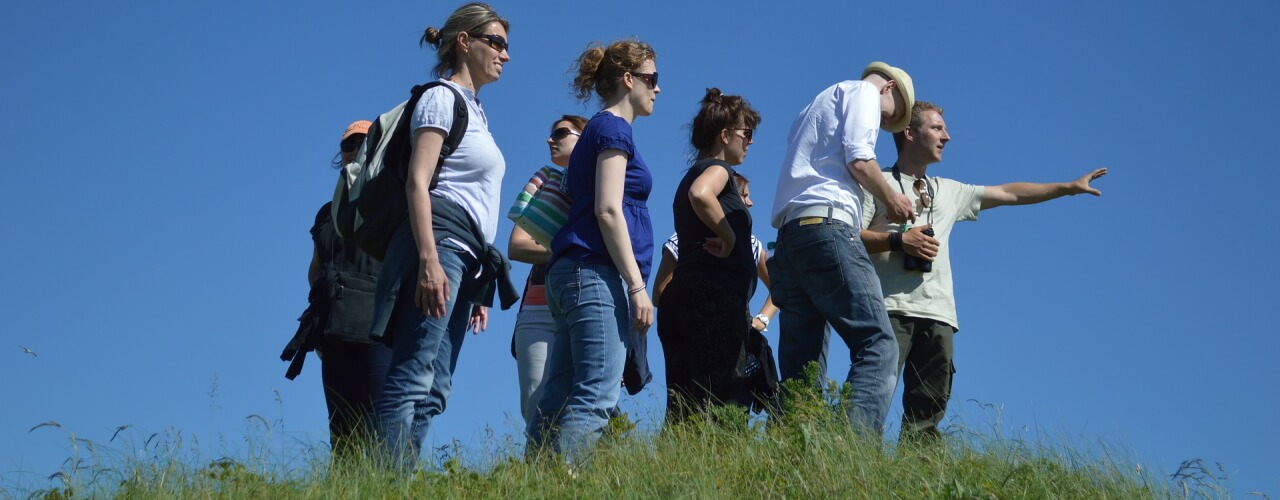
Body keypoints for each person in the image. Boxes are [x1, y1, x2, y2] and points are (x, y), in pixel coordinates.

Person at [859, 101, 1107, 441]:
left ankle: (919, 479)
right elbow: (850, 238)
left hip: (939, 315)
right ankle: (857, 463)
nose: (947, 136)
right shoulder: (878, 184)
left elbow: (1009, 193)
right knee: (873, 395)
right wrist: (900, 241)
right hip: (890, 309)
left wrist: (1067, 187)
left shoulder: (949, 190)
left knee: (927, 415)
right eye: (937, 128)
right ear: (909, 133)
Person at [371, 2, 517, 467]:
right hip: (440, 246)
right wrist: (431, 260)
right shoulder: (440, 98)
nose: (505, 55)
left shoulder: (478, 112)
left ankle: (399, 481)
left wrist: (476, 289)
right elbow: (419, 181)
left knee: (435, 390)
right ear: (464, 41)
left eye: (506, 46)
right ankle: (384, 487)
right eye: (495, 42)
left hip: (466, 258)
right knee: (413, 376)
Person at [767, 61, 918, 436]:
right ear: (889, 90)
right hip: (828, 228)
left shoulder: (816, 105)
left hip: (790, 237)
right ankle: (853, 455)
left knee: (802, 373)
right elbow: (859, 159)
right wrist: (892, 199)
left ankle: (790, 459)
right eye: (892, 117)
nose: (886, 125)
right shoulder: (865, 93)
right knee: (880, 345)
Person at [528, 39, 660, 461]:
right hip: (593, 272)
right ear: (628, 80)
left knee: (559, 393)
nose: (658, 89)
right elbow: (607, 210)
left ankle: (532, 484)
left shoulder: (598, 131)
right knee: (595, 394)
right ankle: (567, 483)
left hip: (572, 272)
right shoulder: (614, 129)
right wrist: (638, 287)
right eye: (652, 79)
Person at [281, 120, 392, 460]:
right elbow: (316, 268)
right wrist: (321, 318)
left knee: (381, 425)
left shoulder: (394, 201)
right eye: (349, 145)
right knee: (342, 429)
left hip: (381, 327)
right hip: (337, 328)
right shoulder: (327, 214)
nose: (355, 150)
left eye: (364, 143)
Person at [653, 88, 763, 421]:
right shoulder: (718, 170)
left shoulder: (689, 174)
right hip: (714, 300)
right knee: (722, 404)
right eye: (747, 133)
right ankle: (722, 470)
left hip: (682, 299)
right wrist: (728, 237)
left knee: (683, 409)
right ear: (725, 134)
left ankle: (677, 469)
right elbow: (701, 195)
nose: (750, 142)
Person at [508, 114, 588, 427]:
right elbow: (517, 246)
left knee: (584, 405)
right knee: (538, 405)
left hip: (585, 304)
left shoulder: (603, 185)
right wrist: (575, 249)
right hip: (539, 309)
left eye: (561, 133)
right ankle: (540, 472)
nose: (550, 139)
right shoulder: (546, 181)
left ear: (586, 137)